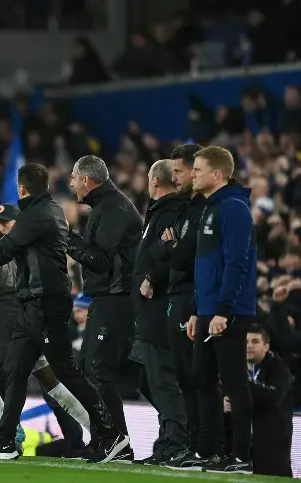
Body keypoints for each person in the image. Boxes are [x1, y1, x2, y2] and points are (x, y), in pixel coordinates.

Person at [0, 163, 129, 463]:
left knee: (61, 373)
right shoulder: (52, 210)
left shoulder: (34, 215)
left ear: (21, 189)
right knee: (19, 371)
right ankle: (7, 440)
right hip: (43, 302)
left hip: (43, 303)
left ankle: (111, 434)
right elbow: (18, 249)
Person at [0, 203, 90, 450]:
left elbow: (4, 280)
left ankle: (96, 431)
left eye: (3, 223)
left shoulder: (21, 248)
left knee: (50, 382)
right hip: (8, 324)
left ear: (18, 225)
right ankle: (12, 431)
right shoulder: (4, 248)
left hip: (23, 322)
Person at [185, 145, 257, 474]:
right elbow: (206, 267)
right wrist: (198, 310)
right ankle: (207, 452)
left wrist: (223, 311)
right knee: (200, 378)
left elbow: (236, 263)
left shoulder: (234, 208)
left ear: (216, 174)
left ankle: (241, 454)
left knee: (233, 383)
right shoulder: (210, 208)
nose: (192, 174)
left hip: (227, 313)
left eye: (198, 169)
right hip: (208, 311)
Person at [66, 154, 142, 458]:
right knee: (88, 367)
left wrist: (66, 238)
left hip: (118, 298)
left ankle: (117, 440)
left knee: (98, 368)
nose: (70, 183)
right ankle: (103, 438)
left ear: (86, 180)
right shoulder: (106, 206)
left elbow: (100, 259)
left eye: (73, 178)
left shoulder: (113, 208)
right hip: (108, 297)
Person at [155, 144, 224, 471]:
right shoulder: (187, 208)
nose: (177, 177)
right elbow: (170, 255)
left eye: (181, 171)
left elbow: (183, 257)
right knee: (187, 377)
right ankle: (197, 447)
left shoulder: (206, 210)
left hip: (194, 300)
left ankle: (208, 449)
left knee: (200, 378)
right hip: (180, 297)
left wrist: (173, 247)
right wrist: (172, 248)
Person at [130, 160, 188, 465]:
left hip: (159, 308)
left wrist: (152, 276)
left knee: (161, 379)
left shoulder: (170, 211)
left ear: (153, 180)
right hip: (149, 311)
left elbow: (171, 253)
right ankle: (170, 439)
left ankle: (176, 441)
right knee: (148, 379)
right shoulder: (160, 211)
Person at [224, 325, 293, 477]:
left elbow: (273, 397)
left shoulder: (279, 369)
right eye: (246, 341)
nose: (249, 345)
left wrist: (242, 388)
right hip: (238, 444)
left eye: (255, 341)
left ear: (266, 346)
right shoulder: (234, 368)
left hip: (272, 445)